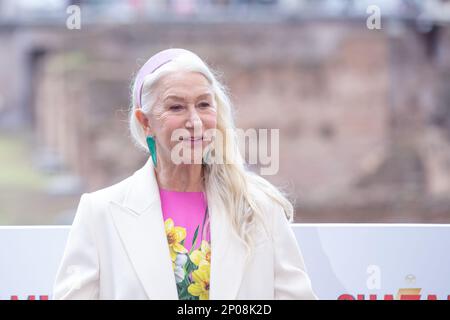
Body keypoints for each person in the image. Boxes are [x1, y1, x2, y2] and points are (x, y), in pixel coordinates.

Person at [52, 48, 317, 300]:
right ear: (146, 123)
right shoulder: (100, 213)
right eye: (176, 107)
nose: (195, 122)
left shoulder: (261, 208)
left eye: (203, 105)